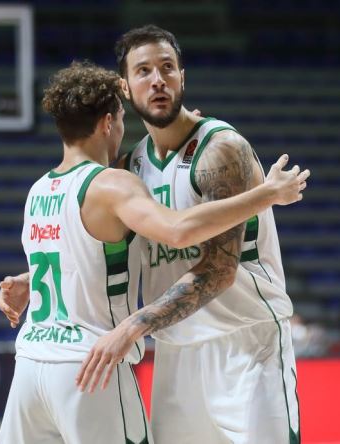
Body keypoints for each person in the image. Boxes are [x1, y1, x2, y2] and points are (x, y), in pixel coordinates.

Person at [0, 60, 309, 443]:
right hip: (91, 361)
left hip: (31, 362)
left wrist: (30, 280)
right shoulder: (115, 183)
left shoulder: (39, 190)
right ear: (108, 122)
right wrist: (266, 195)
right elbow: (178, 230)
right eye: (121, 119)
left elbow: (77, 254)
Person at [75, 25, 303, 444]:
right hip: (177, 350)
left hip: (246, 343)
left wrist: (132, 327)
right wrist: (33, 277)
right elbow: (99, 244)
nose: (157, 80)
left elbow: (218, 271)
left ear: (182, 77)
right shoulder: (131, 168)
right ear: (125, 88)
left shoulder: (221, 150)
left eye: (167, 68)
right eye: (144, 71)